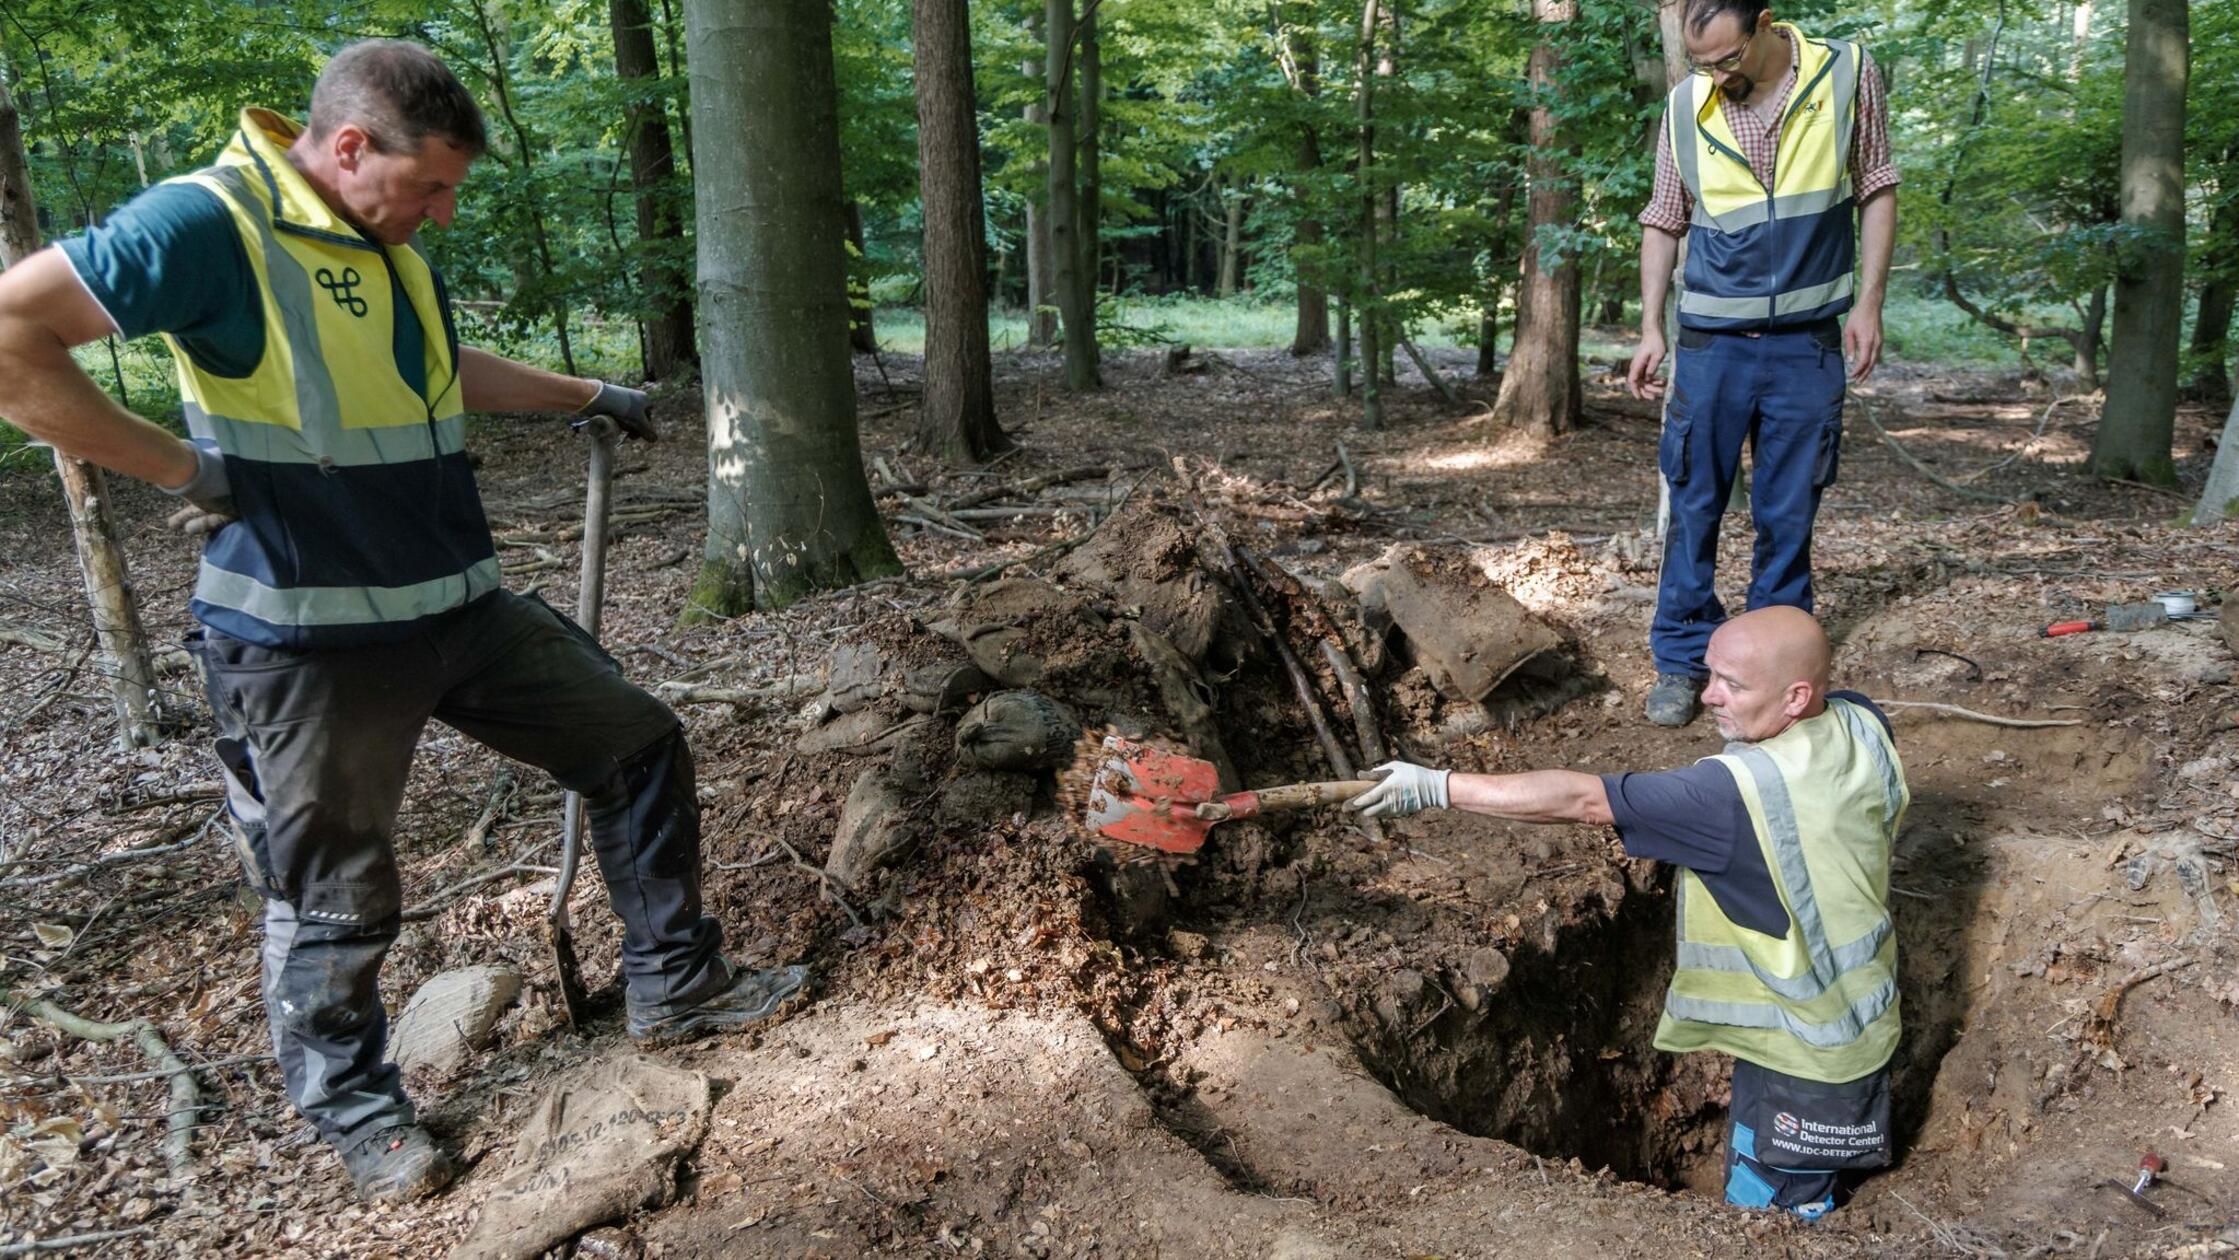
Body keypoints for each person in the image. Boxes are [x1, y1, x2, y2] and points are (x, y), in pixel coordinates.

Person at [0, 41, 808, 1205]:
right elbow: (14, 334)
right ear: (346, 148)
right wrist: (179, 470)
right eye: (428, 186)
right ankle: (363, 1118)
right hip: (304, 640)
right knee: (333, 888)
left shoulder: (384, 247)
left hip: (455, 610)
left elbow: (440, 369)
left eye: (451, 193)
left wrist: (586, 393)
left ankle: (676, 987)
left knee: (634, 742)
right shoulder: (210, 223)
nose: (439, 212)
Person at [1349, 607, 1906, 1218]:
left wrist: (1438, 786)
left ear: (1797, 695)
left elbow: (1584, 798)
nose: (1709, 696)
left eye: (1733, 685)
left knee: (1773, 1214)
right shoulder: (1860, 722)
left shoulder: (1729, 795)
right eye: (1709, 674)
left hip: (1808, 1060)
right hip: (1858, 1020)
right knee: (1800, 1177)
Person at [1624, 0, 1899, 727]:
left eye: (1725, 60)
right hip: (1710, 343)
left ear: (1765, 26)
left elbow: (1876, 187)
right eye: (1700, 64)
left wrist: (1868, 303)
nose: (1714, 76)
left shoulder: (1846, 73)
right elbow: (1662, 216)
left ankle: (1772, 677)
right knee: (1694, 506)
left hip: (1806, 342)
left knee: (1787, 513)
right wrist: (1650, 326)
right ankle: (1682, 662)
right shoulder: (1686, 104)